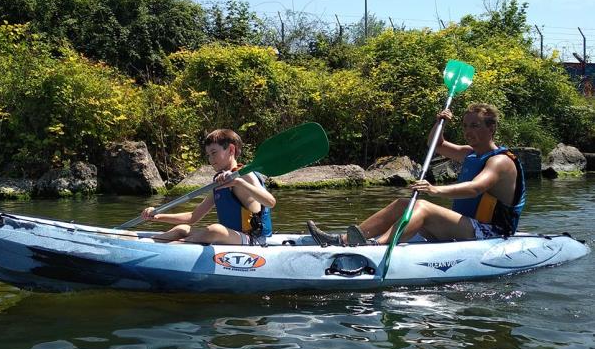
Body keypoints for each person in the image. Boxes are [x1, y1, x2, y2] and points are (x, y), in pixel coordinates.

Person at [307, 103, 526, 246]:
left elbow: (475, 188)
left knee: (421, 206)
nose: (468, 131)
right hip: (467, 228)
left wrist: (434, 189)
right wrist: (440, 122)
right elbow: (436, 144)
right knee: (404, 203)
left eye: (475, 126)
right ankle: (344, 240)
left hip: (491, 234)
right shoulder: (469, 153)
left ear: (491, 129)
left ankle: (377, 246)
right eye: (465, 126)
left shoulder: (500, 161)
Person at [140, 129, 276, 245]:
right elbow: (192, 217)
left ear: (231, 150)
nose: (210, 159)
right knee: (182, 228)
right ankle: (145, 244)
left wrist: (239, 183)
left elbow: (270, 202)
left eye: (214, 153)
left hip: (254, 240)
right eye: (208, 155)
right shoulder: (219, 182)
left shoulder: (246, 175)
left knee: (215, 229)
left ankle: (168, 249)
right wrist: (157, 216)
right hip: (230, 237)